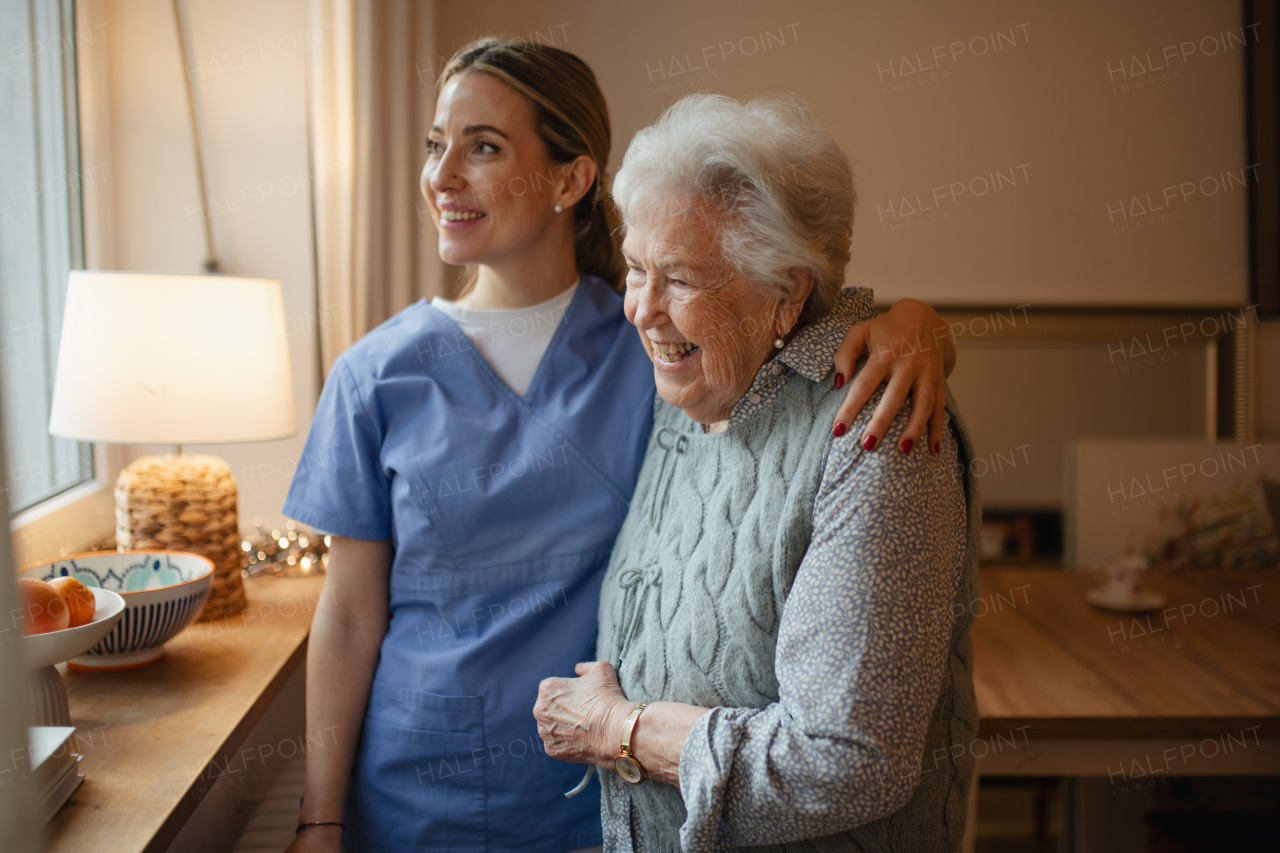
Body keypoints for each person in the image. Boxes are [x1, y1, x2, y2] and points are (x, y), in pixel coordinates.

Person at [283, 38, 960, 853]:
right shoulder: (379, 373)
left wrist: (916, 323)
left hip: (589, 801)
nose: (442, 174)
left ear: (572, 178)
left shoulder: (652, 353)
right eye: (435, 146)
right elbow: (349, 615)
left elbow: (793, 339)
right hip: (420, 786)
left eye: (484, 146)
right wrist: (319, 818)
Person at [533, 92, 980, 852]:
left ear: (787, 294)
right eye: (636, 267)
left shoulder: (874, 426)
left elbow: (849, 761)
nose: (641, 308)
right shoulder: (691, 384)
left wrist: (623, 729)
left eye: (678, 278)